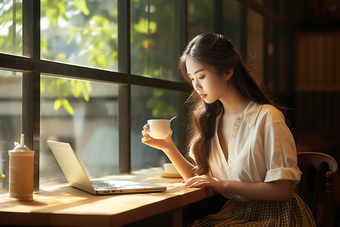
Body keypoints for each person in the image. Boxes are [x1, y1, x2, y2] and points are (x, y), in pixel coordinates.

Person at [141, 32, 316, 226]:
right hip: (235, 214)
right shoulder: (211, 121)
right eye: (191, 78)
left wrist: (222, 184)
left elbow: (282, 191)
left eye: (201, 76)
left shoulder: (267, 117)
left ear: (227, 72)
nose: (196, 86)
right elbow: (200, 180)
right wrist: (168, 147)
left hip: (277, 216)